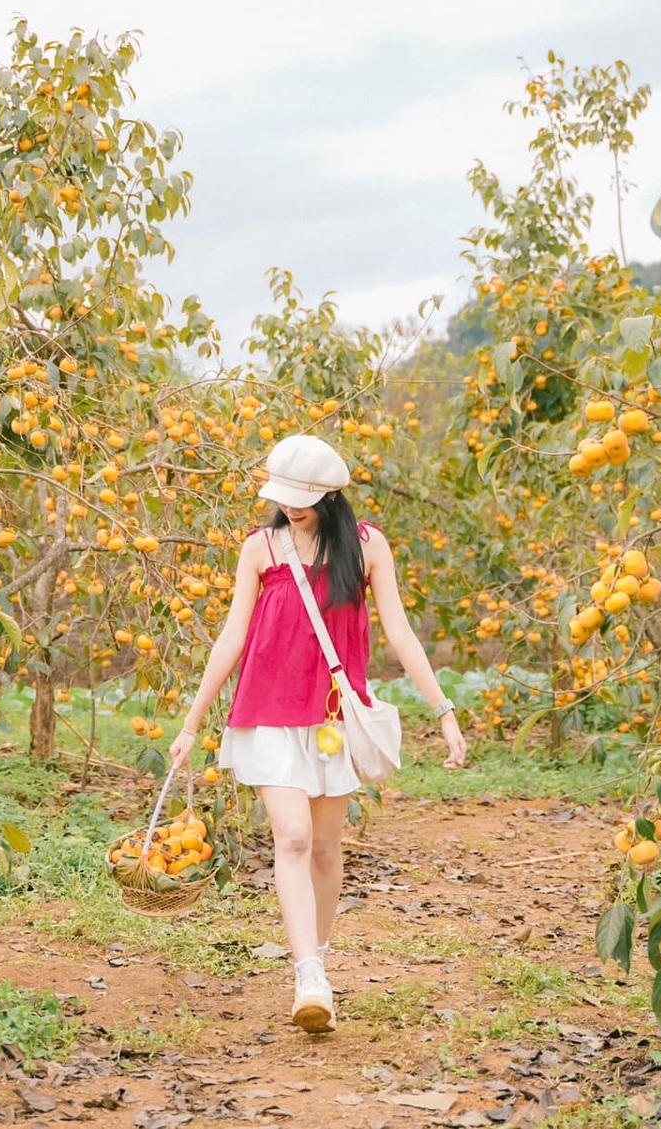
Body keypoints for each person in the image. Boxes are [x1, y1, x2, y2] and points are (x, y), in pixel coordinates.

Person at [168, 434, 468, 1033]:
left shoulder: (366, 547)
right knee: (296, 837)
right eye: (284, 496)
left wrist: (444, 711)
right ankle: (307, 973)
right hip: (268, 715)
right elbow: (232, 637)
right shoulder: (261, 548)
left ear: (330, 494)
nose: (291, 507)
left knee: (329, 849)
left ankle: (318, 965)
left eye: (303, 497)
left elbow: (401, 635)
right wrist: (191, 720)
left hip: (333, 717)